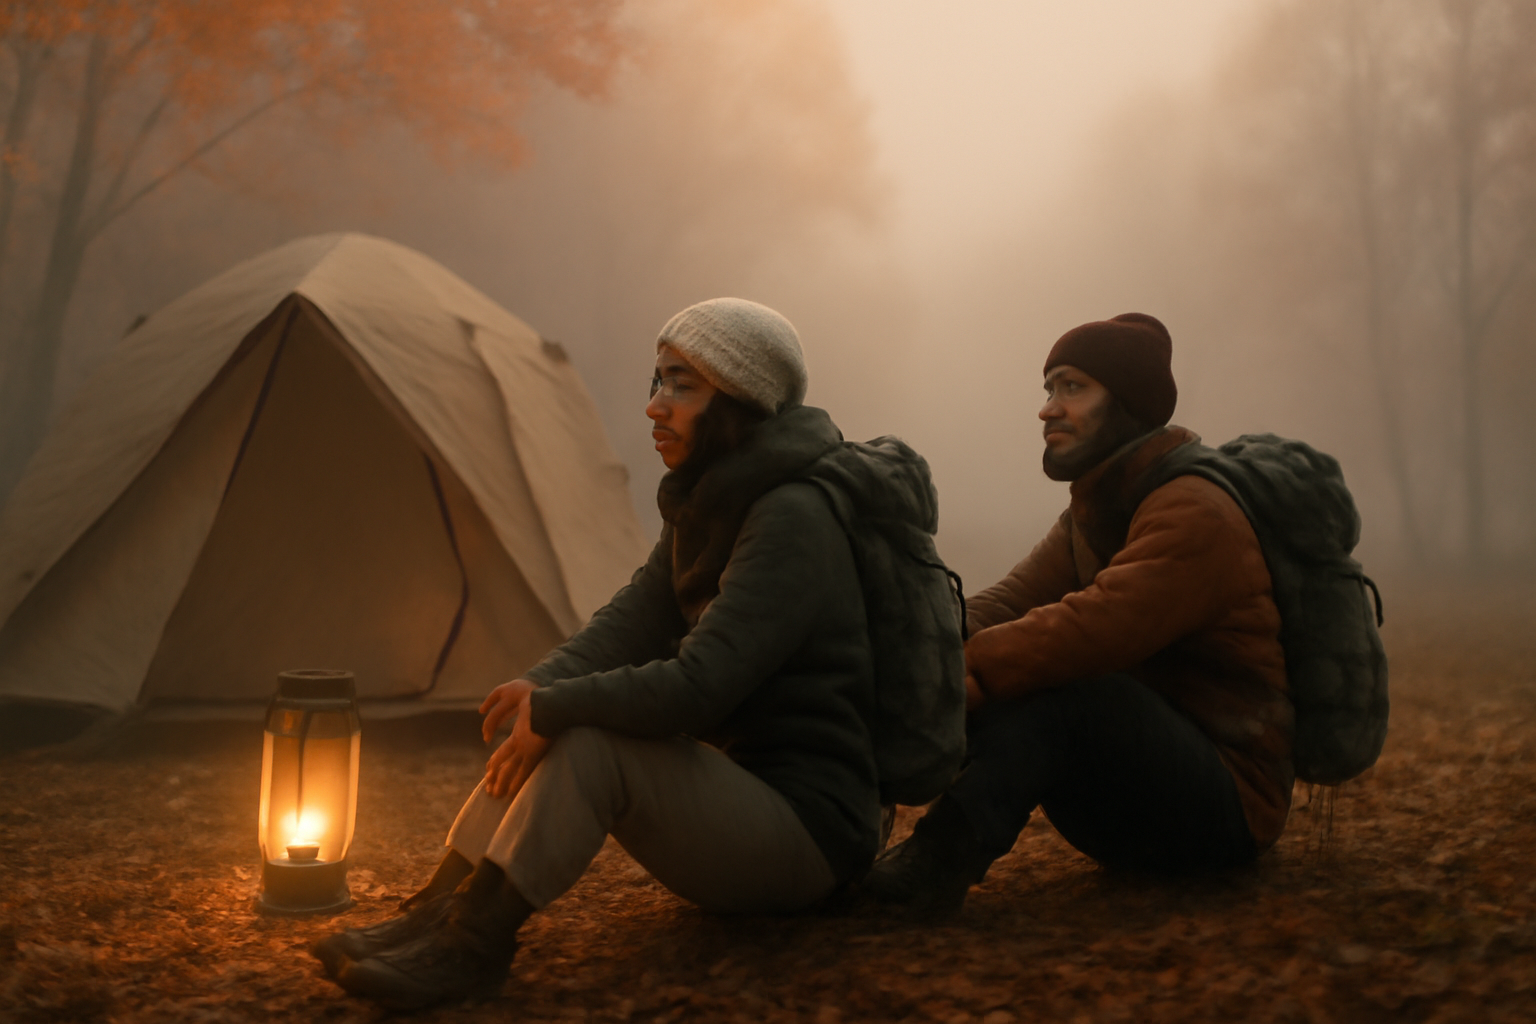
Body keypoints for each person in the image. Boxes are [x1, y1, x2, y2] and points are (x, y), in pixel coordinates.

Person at [312, 298, 912, 1009]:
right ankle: (436, 913)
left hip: (813, 832)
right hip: (746, 795)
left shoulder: (794, 516)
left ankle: (474, 947)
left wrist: (557, 706)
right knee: (563, 717)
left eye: (682, 386)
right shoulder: (716, 495)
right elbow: (633, 618)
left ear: (742, 399)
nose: (656, 406)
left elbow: (700, 686)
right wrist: (538, 684)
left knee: (588, 737)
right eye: (657, 382)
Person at [863, 313, 1293, 918]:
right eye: (1048, 389)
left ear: (1128, 404)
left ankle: (934, 866)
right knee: (1021, 666)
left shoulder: (1196, 511)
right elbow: (1007, 603)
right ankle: (847, 834)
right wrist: (903, 653)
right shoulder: (1099, 510)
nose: (1047, 409)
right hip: (1139, 804)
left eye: (1072, 387)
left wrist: (956, 677)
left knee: (1061, 685)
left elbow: (1094, 629)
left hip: (1227, 809)